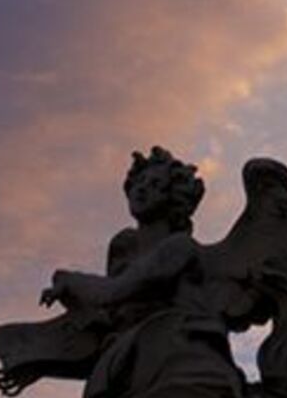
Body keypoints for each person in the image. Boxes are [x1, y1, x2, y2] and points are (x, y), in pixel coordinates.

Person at [42, 147, 247, 398]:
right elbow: (108, 316)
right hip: (136, 365)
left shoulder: (179, 247)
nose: (141, 189)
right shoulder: (125, 248)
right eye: (139, 182)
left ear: (173, 197)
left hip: (182, 363)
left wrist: (70, 281)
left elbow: (115, 290)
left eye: (155, 184)